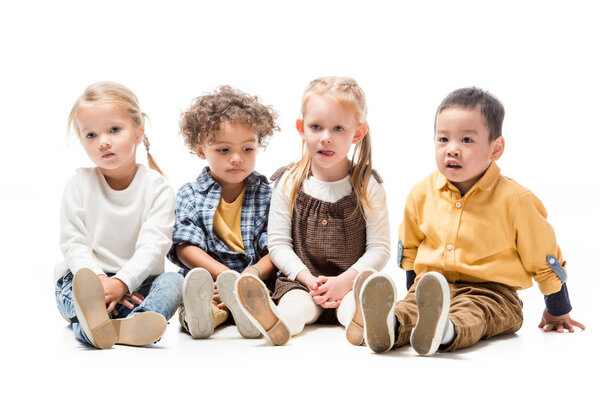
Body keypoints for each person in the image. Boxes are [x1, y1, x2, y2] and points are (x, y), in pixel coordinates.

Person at [360, 87, 585, 355]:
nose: (452, 150)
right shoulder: (421, 193)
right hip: (431, 285)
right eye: (443, 139)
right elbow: (410, 248)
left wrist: (557, 311)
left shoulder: (516, 200)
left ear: (496, 148)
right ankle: (390, 326)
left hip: (493, 293)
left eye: (466, 140)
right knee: (409, 308)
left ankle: (444, 330)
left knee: (475, 313)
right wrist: (415, 294)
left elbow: (543, 258)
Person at [235, 76, 390, 346]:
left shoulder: (367, 185)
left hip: (350, 280)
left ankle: (361, 323)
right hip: (301, 282)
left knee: (354, 303)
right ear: (302, 128)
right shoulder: (289, 181)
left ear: (357, 133)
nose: (326, 138)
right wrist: (308, 280)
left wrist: (344, 281)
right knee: (295, 306)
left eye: (338, 128)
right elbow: (279, 244)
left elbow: (379, 249)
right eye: (316, 127)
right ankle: (277, 323)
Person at [55, 81, 183, 349]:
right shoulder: (79, 184)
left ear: (138, 132)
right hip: (90, 281)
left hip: (139, 284)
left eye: (114, 130)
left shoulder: (157, 187)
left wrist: (123, 282)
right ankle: (100, 323)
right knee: (73, 289)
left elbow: (154, 245)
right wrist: (101, 282)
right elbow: (73, 242)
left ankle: (116, 324)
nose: (103, 142)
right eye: (91, 135)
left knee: (174, 282)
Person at [168, 86, 279, 339]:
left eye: (247, 149)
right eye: (224, 150)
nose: (237, 158)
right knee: (197, 297)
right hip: (208, 279)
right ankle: (204, 317)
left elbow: (275, 248)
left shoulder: (266, 194)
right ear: (200, 150)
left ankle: (251, 313)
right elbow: (185, 247)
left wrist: (251, 275)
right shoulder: (190, 194)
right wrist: (224, 276)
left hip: (254, 278)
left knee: (271, 297)